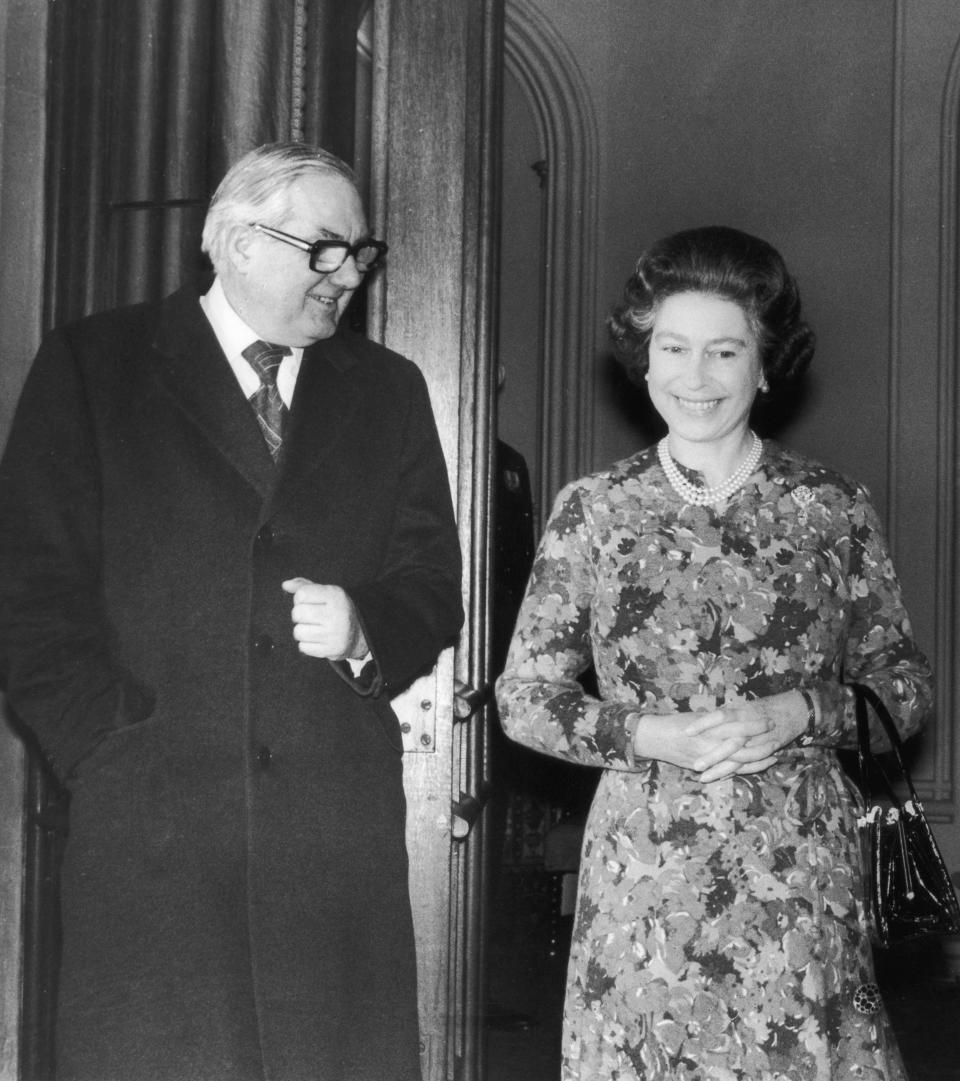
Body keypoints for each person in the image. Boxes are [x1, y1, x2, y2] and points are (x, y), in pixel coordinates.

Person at [0, 142, 463, 1081]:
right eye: (326, 250)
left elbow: (430, 582)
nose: (349, 276)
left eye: (361, 255)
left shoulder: (389, 390)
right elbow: (27, 588)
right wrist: (108, 746)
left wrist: (368, 626)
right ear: (241, 240)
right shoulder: (96, 366)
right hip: (153, 833)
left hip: (328, 844)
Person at [495, 225, 932, 1081]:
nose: (695, 377)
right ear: (645, 358)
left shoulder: (829, 508)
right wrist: (651, 733)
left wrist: (801, 711)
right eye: (674, 348)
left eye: (724, 351)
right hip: (646, 875)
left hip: (799, 868)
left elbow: (905, 688)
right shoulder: (597, 510)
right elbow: (525, 697)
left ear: (765, 366)